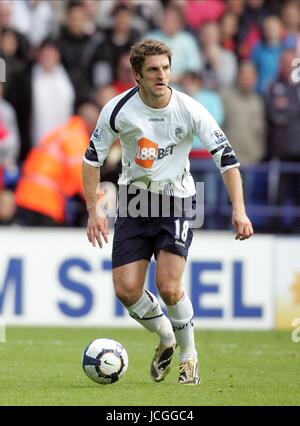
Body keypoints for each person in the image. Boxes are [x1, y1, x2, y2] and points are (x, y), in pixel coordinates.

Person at [82, 39, 253, 385]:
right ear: (136, 76)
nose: (162, 76)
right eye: (153, 70)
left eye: (165, 68)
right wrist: (93, 209)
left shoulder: (190, 109)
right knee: (127, 291)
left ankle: (189, 355)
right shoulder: (117, 110)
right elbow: (91, 160)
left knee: (168, 286)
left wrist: (239, 208)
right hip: (134, 201)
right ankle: (166, 337)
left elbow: (227, 159)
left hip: (176, 199)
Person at [15, 102, 99, 226]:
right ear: (93, 123)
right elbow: (83, 177)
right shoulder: (76, 138)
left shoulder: (62, 132)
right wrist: (100, 203)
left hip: (26, 196)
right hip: (44, 201)